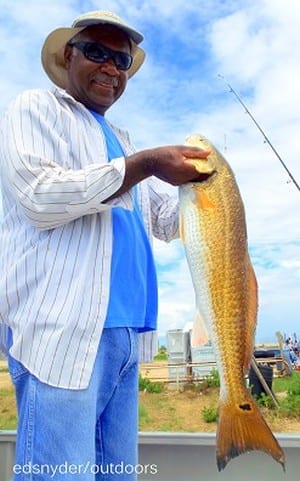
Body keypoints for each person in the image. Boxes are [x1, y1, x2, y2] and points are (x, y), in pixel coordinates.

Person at [0, 10, 210, 481]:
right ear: (67, 55)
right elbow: (40, 195)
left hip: (127, 336)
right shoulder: (35, 108)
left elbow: (163, 221)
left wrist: (212, 189)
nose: (112, 68)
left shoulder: (121, 139)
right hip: (64, 331)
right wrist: (148, 162)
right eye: (96, 52)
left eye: (122, 59)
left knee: (117, 475)